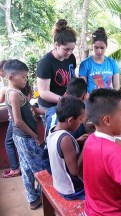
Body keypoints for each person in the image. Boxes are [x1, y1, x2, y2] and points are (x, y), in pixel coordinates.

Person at [4, 59, 49, 210]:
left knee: (27, 168)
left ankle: (32, 198)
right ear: (11, 77)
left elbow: (31, 110)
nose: (26, 80)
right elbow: (17, 121)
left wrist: (50, 111)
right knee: (43, 168)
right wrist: (36, 137)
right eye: (23, 77)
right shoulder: (15, 94)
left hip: (20, 137)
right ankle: (43, 195)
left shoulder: (10, 91)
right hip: (27, 137)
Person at [47, 96, 86, 200]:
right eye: (80, 119)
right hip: (72, 190)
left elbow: (58, 150)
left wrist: (77, 141)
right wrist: (85, 148)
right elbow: (75, 171)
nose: (81, 122)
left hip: (60, 185)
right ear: (70, 120)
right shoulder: (65, 139)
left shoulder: (53, 130)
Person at [37, 19, 77, 111]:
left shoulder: (71, 57)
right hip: (49, 107)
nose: (69, 52)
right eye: (66, 49)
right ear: (56, 45)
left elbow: (72, 76)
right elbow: (44, 92)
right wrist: (64, 100)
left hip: (66, 103)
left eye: (72, 49)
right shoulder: (45, 63)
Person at [79, 27, 120, 93]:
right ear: (92, 46)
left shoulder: (112, 63)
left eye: (102, 48)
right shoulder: (85, 64)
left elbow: (117, 88)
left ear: (106, 46)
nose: (99, 51)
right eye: (96, 47)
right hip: (91, 101)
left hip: (108, 100)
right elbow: (83, 90)